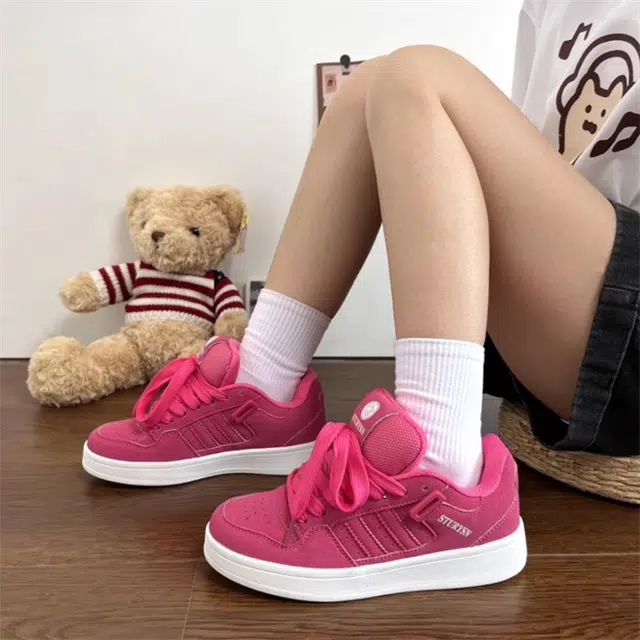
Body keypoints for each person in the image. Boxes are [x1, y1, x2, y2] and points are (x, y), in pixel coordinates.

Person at [83, 0, 639, 601]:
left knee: (416, 76)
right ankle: (262, 387)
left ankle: (439, 476)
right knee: (369, 85)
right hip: (577, 285)